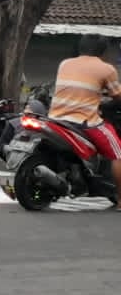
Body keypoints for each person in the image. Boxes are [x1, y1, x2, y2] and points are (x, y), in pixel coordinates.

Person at [48, 34, 121, 202]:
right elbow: (117, 95)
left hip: (55, 119)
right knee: (118, 153)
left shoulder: (65, 63)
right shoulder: (106, 68)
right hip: (83, 122)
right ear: (103, 51)